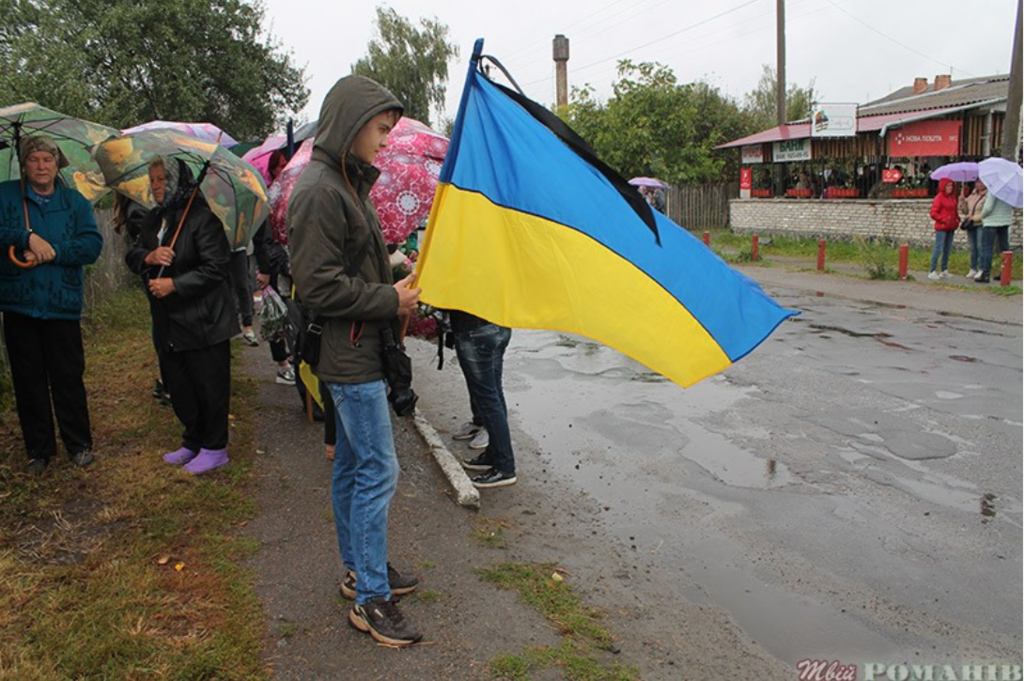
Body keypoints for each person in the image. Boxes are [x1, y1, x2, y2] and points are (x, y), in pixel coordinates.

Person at [289, 75, 423, 647]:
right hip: (349, 358)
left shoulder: (345, 182)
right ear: (351, 123)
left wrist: (395, 278)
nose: (386, 141)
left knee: (350, 467)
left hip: (359, 348)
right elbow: (317, 287)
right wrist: (389, 299)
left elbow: (352, 268)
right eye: (381, 129)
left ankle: (358, 569)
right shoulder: (321, 190)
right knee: (378, 471)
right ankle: (371, 597)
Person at [125, 157, 238, 474]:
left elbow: (216, 268)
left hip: (204, 322)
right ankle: (193, 440)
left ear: (179, 181)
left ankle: (215, 447)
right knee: (181, 385)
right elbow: (131, 254)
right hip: (168, 322)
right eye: (153, 180)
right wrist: (149, 255)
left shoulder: (203, 219)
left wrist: (175, 283)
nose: (156, 186)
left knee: (209, 386)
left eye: (162, 179)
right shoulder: (154, 219)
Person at [0, 134, 103, 474]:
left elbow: (90, 245)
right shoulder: (7, 195)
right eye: (34, 159)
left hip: (62, 304)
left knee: (67, 376)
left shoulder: (74, 202)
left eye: (47, 159)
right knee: (28, 378)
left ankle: (79, 444)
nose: (41, 166)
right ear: (24, 164)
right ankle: (39, 451)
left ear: (57, 163)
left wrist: (52, 251)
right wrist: (25, 236)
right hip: (20, 304)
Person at [449, 310, 517, 489]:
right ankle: (494, 454)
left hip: (474, 331)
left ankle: (505, 466)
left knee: (487, 399)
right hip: (499, 326)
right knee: (494, 393)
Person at [252, 150, 295, 385]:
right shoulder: (268, 198)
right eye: (279, 166)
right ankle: (282, 365)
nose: (284, 168)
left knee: (289, 315)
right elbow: (263, 240)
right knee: (277, 318)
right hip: (275, 270)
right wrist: (266, 270)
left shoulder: (288, 194)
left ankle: (289, 359)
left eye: (286, 164)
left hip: (285, 267)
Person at [974, 189, 1014, 284]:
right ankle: (1005, 273)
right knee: (1004, 248)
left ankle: (986, 273)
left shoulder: (994, 190)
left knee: (988, 248)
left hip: (991, 222)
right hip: (1005, 221)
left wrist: (981, 215)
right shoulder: (1009, 191)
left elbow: (988, 207)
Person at [927, 177, 958, 280]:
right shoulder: (939, 198)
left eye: (951, 186)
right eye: (948, 186)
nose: (950, 188)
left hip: (951, 226)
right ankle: (932, 270)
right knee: (938, 248)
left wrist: (957, 219)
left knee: (947, 249)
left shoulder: (953, 197)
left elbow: (954, 210)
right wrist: (942, 219)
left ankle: (944, 270)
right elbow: (933, 213)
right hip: (942, 226)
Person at [959, 181, 987, 279]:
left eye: (981, 183)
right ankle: (973, 268)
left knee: (980, 246)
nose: (979, 184)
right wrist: (962, 202)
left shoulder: (987, 196)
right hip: (970, 225)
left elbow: (986, 212)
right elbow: (965, 211)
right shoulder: (972, 195)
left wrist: (974, 217)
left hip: (980, 224)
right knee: (972, 247)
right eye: (977, 182)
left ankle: (982, 268)